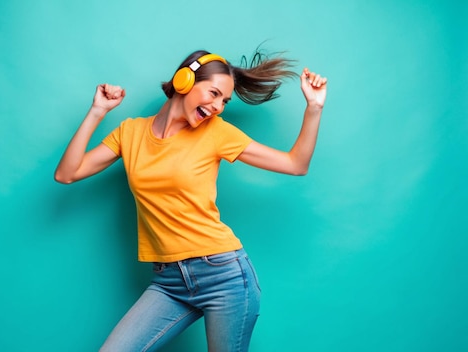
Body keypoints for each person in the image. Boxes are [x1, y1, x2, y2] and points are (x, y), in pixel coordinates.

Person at [54, 48, 328, 351]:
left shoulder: (217, 133)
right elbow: (67, 173)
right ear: (184, 81)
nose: (217, 107)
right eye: (213, 93)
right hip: (169, 281)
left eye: (224, 101)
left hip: (224, 276)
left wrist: (313, 108)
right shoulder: (130, 132)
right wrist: (97, 111)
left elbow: (295, 164)